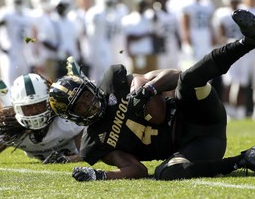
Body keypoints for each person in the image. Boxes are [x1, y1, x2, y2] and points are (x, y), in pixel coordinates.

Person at [49, 9, 255, 181]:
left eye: (85, 96)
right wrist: (102, 175)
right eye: (80, 106)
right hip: (196, 146)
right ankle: (244, 160)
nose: (88, 103)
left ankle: (248, 41)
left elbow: (175, 75)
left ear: (89, 86)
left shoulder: (114, 80)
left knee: (189, 79)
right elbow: (137, 169)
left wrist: (150, 88)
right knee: (165, 173)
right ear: (73, 116)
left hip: (197, 111)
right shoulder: (94, 142)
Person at [0, 72, 84, 165]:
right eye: (28, 108)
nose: (34, 112)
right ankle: (1, 89)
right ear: (18, 109)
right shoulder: (11, 128)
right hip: (16, 112)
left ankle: (77, 75)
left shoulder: (66, 121)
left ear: (49, 102)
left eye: (39, 105)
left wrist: (67, 160)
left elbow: (87, 153)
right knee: (9, 104)